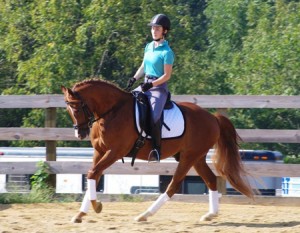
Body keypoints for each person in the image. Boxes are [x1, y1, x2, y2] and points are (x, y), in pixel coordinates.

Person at [126, 14, 175, 162]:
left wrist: (151, 85)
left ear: (164, 31)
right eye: (153, 28)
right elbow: (143, 66)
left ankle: (156, 149)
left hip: (158, 88)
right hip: (145, 84)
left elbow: (167, 76)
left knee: (154, 117)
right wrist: (134, 78)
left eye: (157, 28)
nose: (154, 30)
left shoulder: (167, 52)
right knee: (126, 104)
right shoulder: (148, 46)